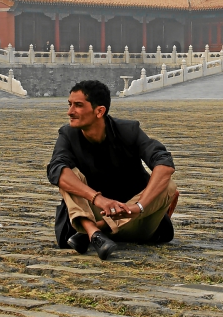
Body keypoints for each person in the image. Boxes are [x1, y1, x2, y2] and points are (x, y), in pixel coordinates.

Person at [47, 80, 179, 261]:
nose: (70, 112)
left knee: (168, 185)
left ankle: (93, 231)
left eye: (78, 105)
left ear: (99, 111)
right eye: (69, 105)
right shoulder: (68, 135)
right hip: (92, 211)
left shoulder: (129, 130)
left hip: (134, 220)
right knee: (65, 174)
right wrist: (98, 199)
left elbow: (164, 163)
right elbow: (56, 170)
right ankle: (94, 232)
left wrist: (137, 207)